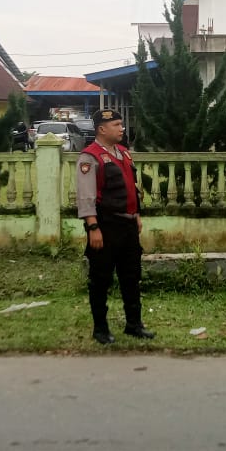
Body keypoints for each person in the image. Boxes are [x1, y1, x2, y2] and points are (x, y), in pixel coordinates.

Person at [76, 108, 154, 345]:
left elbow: (132, 188)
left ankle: (134, 325)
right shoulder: (90, 157)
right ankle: (100, 329)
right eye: (116, 125)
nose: (122, 128)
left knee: (131, 276)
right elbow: (86, 196)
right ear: (102, 129)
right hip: (105, 226)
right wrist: (92, 227)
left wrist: (137, 214)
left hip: (128, 225)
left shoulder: (123, 153)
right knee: (100, 279)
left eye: (121, 124)